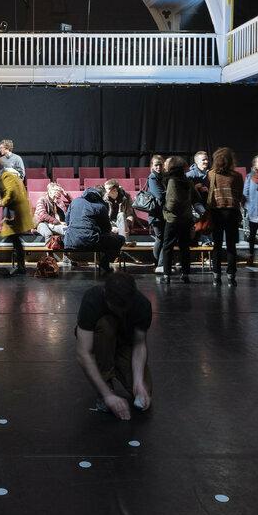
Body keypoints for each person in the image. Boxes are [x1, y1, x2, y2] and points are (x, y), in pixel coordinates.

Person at [75, 272, 152, 421]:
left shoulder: (141, 304)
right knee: (106, 324)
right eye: (115, 307)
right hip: (100, 342)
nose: (120, 311)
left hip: (123, 345)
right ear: (105, 295)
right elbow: (83, 353)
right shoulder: (92, 299)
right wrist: (107, 395)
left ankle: (116, 365)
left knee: (145, 393)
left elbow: (139, 344)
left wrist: (138, 382)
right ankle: (106, 382)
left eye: (124, 308)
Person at [0, 155, 34, 276]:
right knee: (15, 239)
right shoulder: (3, 174)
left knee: (16, 239)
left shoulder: (5, 175)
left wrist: (1, 202)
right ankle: (20, 266)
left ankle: (21, 266)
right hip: (13, 210)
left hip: (16, 211)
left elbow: (10, 192)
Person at [64, 186, 123, 277]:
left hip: (70, 241)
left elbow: (67, 221)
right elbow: (106, 229)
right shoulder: (101, 206)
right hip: (91, 242)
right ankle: (104, 263)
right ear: (101, 195)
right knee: (120, 239)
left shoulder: (75, 201)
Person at [207, 146, 244, 285]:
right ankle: (231, 276)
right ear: (230, 160)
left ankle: (216, 275)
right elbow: (239, 196)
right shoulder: (237, 176)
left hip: (216, 212)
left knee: (216, 245)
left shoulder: (211, 174)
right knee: (231, 246)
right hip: (232, 213)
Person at [160, 155, 197, 284]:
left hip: (173, 219)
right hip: (186, 218)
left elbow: (171, 202)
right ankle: (185, 274)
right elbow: (195, 198)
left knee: (168, 247)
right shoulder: (187, 181)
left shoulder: (172, 181)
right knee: (184, 247)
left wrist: (165, 210)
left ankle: (166, 275)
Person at [34, 181, 72, 264]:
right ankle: (50, 259)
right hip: (42, 223)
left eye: (59, 192)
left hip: (54, 223)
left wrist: (65, 195)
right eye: (56, 191)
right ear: (50, 191)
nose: (58, 194)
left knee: (67, 231)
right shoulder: (42, 200)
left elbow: (73, 203)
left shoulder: (59, 201)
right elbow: (42, 214)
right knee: (48, 233)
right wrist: (57, 222)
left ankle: (66, 257)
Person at [146, 154, 166, 272]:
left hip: (161, 213)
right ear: (152, 166)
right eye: (156, 165)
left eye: (160, 165)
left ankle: (158, 263)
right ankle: (160, 264)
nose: (158, 167)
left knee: (160, 239)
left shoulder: (162, 177)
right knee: (162, 238)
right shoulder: (153, 178)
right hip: (156, 214)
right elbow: (158, 195)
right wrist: (169, 192)